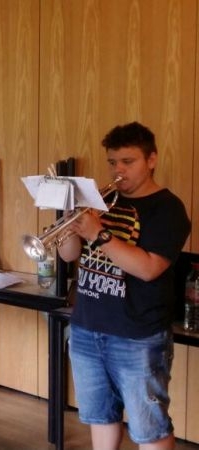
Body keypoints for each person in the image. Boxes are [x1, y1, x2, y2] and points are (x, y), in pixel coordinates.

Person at [59, 122, 190, 450]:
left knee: (150, 429)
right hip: (87, 328)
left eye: (128, 162)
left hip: (138, 335)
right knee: (101, 417)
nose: (118, 170)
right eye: (112, 162)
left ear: (151, 160)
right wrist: (69, 223)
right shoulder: (102, 202)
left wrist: (98, 233)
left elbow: (148, 268)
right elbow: (69, 255)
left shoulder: (168, 208)